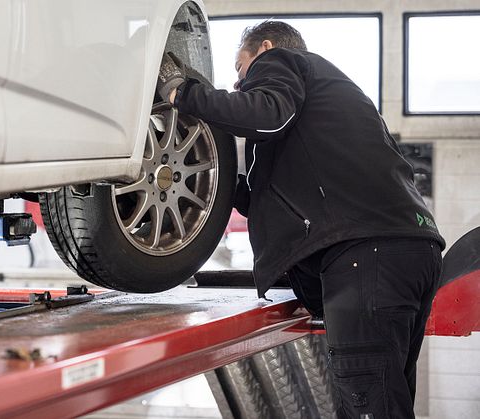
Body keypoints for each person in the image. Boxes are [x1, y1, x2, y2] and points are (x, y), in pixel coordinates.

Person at [157, 21, 444, 419]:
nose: (240, 85)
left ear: (265, 48)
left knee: (368, 403)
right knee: (385, 399)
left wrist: (182, 93)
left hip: (366, 254)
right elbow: (274, 196)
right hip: (406, 249)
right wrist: (214, 188)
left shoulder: (282, 61)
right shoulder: (331, 106)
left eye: (241, 69)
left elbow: (267, 115)